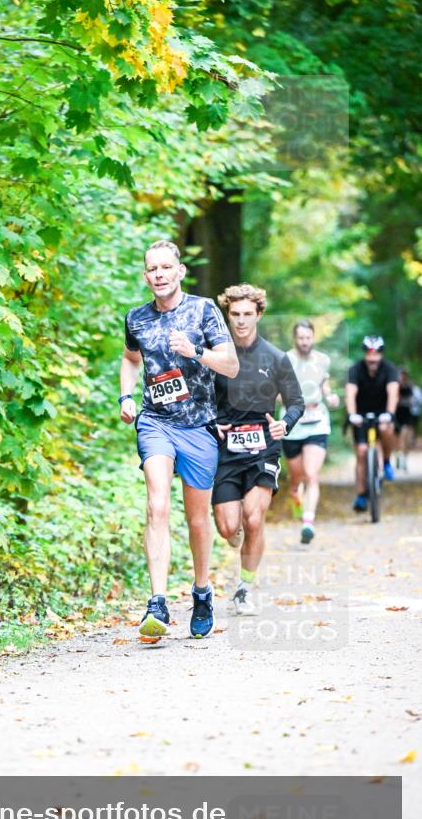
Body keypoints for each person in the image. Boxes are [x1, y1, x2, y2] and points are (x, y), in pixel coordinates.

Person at [120, 240, 239, 640]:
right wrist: (125, 396)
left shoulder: (204, 310)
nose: (159, 274)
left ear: (180, 271)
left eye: (166, 267)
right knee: (156, 505)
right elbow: (130, 358)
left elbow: (231, 365)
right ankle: (157, 602)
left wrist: (196, 351)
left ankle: (202, 591)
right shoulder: (136, 318)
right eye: (152, 269)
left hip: (199, 426)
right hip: (156, 422)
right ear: (145, 276)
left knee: (197, 519)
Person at [212, 284, 304, 615]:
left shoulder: (276, 358)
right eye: (235, 314)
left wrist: (285, 424)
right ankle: (234, 530)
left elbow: (296, 402)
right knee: (228, 528)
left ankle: (244, 588)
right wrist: (212, 423)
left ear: (259, 314)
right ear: (228, 314)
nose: (241, 321)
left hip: (264, 447)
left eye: (247, 314)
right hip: (226, 449)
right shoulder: (215, 356)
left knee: (254, 517)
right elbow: (200, 399)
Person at [282, 319, 341, 544]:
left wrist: (331, 397)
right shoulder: (285, 359)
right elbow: (276, 391)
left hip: (317, 420)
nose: (304, 342)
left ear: (313, 338)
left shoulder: (322, 360)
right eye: (301, 338)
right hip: (292, 421)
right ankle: (295, 491)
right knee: (297, 476)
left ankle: (308, 522)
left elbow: (325, 387)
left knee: (311, 473)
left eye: (308, 337)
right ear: (295, 339)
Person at [346, 336, 399, 511]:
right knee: (361, 452)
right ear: (365, 354)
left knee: (385, 428)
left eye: (376, 354)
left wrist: (390, 413)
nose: (372, 359)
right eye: (369, 354)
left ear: (381, 354)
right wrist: (352, 414)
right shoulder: (355, 369)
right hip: (361, 415)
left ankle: (386, 461)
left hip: (383, 413)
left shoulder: (390, 369)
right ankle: (361, 495)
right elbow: (350, 393)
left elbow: (393, 393)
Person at [394, 369, 421, 471]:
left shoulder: (410, 387)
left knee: (407, 438)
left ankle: (404, 459)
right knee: (398, 439)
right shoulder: (394, 387)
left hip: (407, 416)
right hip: (397, 416)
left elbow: (415, 401)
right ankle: (399, 457)